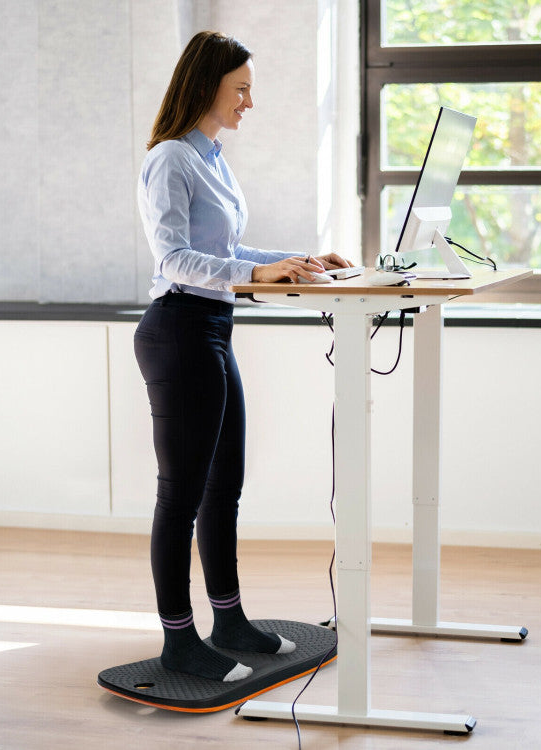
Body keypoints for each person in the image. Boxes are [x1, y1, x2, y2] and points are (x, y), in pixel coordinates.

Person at [134, 30, 353, 683]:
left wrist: (299, 261)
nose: (249, 102)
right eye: (242, 89)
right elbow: (174, 258)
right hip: (178, 330)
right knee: (181, 496)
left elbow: (229, 246)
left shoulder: (213, 159)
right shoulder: (170, 159)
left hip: (213, 329)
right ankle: (180, 639)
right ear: (207, 86)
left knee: (222, 489)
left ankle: (227, 620)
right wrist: (261, 272)